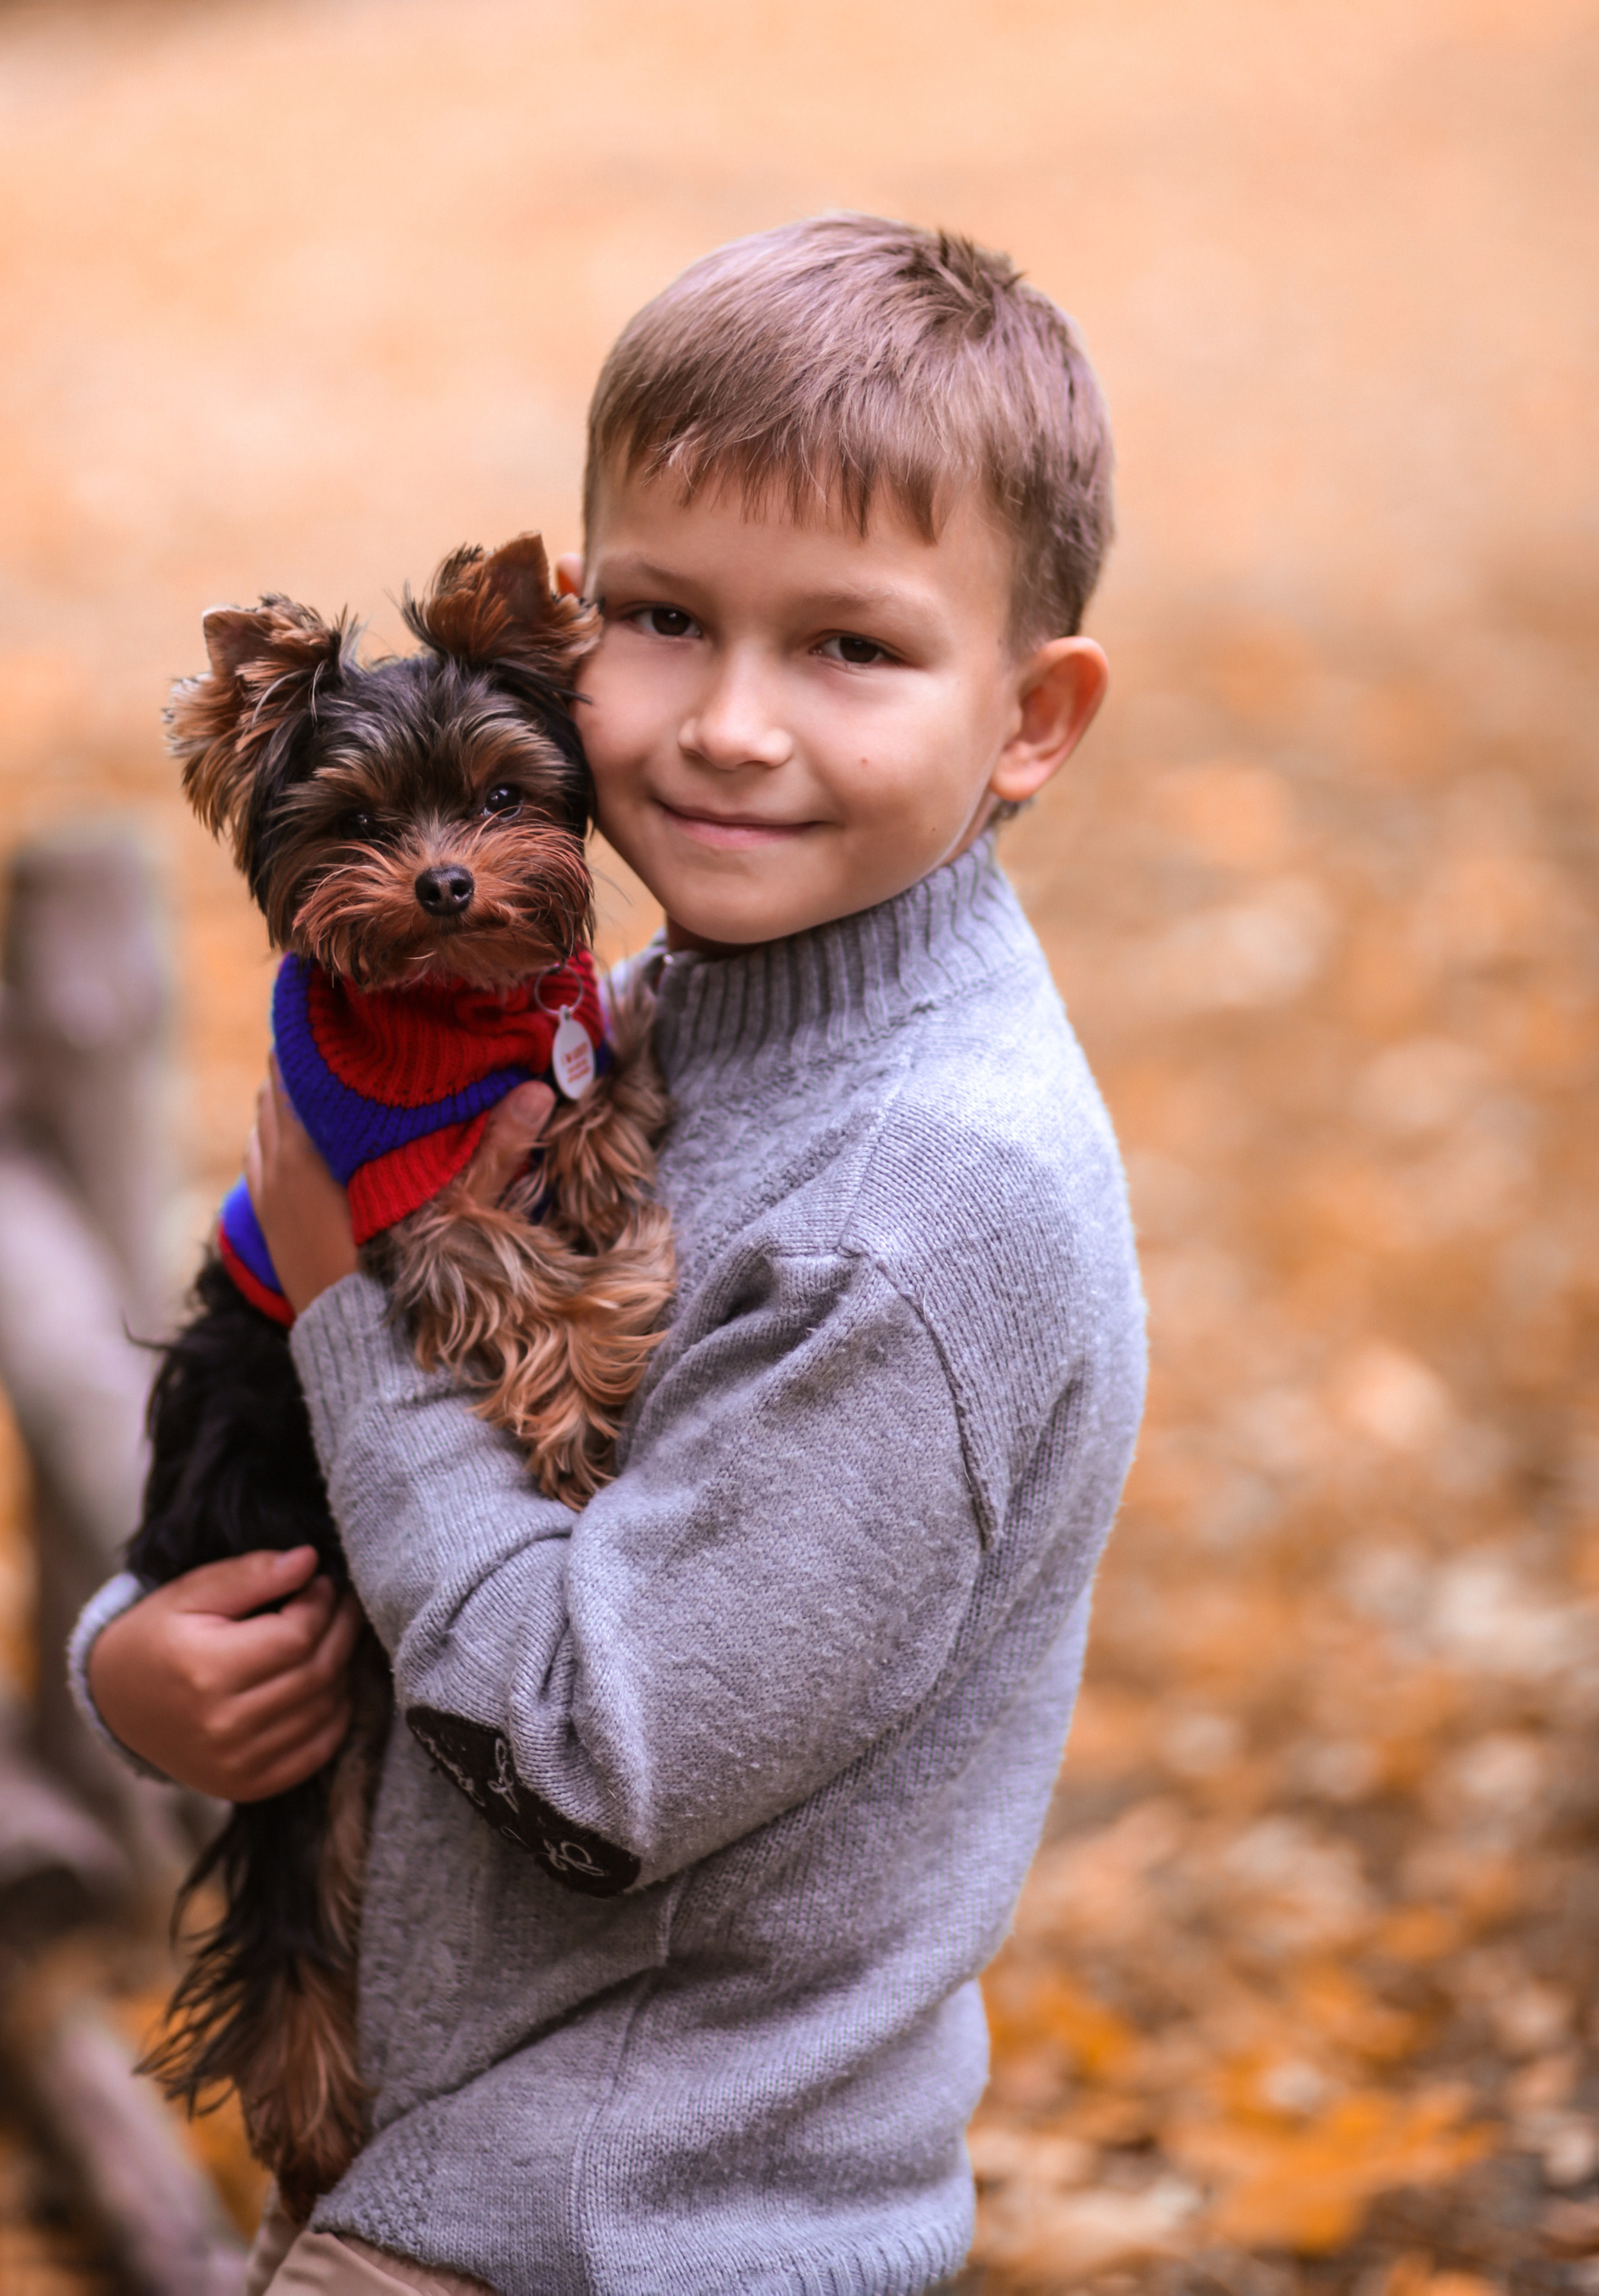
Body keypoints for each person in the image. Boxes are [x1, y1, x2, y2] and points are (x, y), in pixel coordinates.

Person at [79, 215, 1147, 2296]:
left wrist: (351, 1291)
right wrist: (134, 1663)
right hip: (446, 2164)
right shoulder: (649, 1014)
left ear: (1031, 717)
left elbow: (593, 1759)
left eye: (851, 645)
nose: (733, 724)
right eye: (664, 616)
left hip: (628, 2221)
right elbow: (327, 1511)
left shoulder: (920, 1205)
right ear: (569, 634)